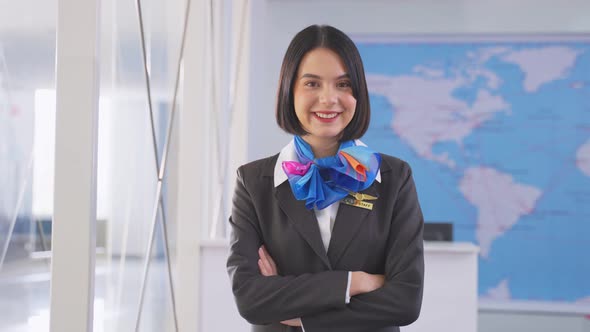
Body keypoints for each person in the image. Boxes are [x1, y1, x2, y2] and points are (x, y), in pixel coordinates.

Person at [227, 24, 424, 332]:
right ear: (289, 91)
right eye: (312, 84)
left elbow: (406, 299)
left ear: (358, 94)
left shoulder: (395, 177)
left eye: (343, 85)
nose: (329, 99)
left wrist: (299, 313)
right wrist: (355, 282)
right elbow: (250, 299)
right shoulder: (254, 182)